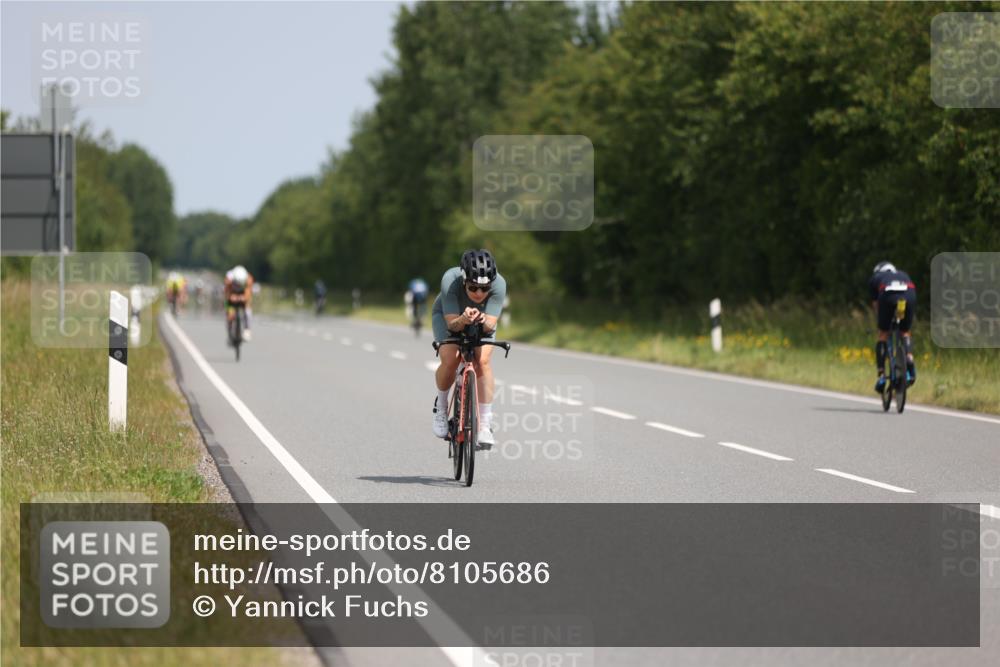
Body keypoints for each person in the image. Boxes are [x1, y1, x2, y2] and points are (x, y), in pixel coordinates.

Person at [431, 250, 507, 447]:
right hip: (449, 317)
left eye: (485, 288)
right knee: (451, 358)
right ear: (464, 280)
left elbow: (490, 326)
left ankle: (485, 425)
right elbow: (452, 325)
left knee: (482, 361)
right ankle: (441, 408)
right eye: (473, 287)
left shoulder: (499, 284)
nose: (479, 293)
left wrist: (482, 321)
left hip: (482, 320)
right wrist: (463, 319)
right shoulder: (450, 280)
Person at [868, 261, 917, 393]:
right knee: (905, 331)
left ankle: (881, 375)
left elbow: (876, 305)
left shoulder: (875, 278)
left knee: (883, 335)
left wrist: (882, 322)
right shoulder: (903, 274)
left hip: (887, 295)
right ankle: (909, 357)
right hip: (908, 295)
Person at [224, 265, 254, 342]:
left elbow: (248, 293)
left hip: (243, 295)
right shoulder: (228, 279)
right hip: (231, 296)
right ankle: (230, 331)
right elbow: (226, 292)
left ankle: (247, 329)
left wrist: (244, 298)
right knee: (229, 314)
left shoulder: (249, 279)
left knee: (247, 311)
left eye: (241, 284)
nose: (239, 285)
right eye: (237, 284)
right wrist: (230, 297)